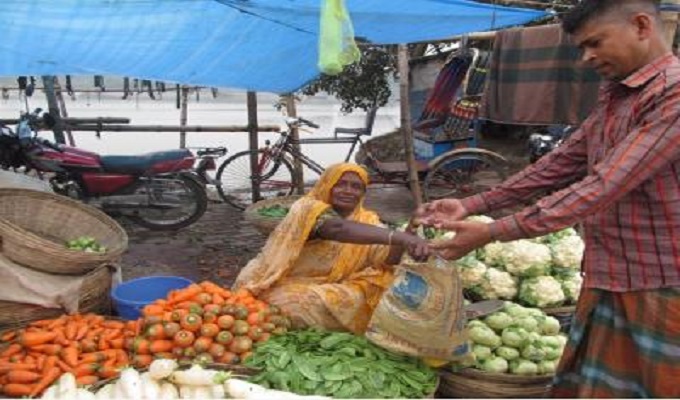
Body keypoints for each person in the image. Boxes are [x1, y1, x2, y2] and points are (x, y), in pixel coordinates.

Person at [416, 0, 680, 397]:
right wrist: (474, 205)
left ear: (642, 25)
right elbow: (559, 164)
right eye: (581, 48)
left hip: (662, 279)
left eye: (594, 43)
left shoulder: (672, 94)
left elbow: (604, 185)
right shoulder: (617, 96)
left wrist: (492, 233)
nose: (586, 58)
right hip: (611, 272)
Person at [232, 163, 430, 334]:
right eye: (340, 184)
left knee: (380, 293)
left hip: (332, 285)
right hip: (281, 281)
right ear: (327, 184)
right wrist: (400, 236)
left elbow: (387, 260)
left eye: (356, 187)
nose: (348, 191)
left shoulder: (368, 220)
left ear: (363, 193)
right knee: (287, 304)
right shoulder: (307, 208)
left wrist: (410, 230)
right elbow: (336, 229)